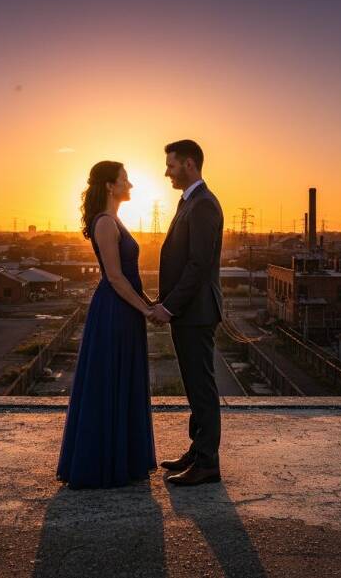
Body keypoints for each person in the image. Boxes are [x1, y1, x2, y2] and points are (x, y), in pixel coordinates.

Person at [56, 161, 157, 489]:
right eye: (125, 180)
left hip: (123, 308)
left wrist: (149, 303)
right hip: (114, 311)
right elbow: (114, 277)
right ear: (110, 186)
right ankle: (102, 464)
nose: (131, 185)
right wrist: (145, 309)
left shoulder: (115, 220)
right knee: (109, 381)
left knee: (121, 379)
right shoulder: (104, 223)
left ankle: (122, 460)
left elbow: (128, 277)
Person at [149, 139, 225, 486]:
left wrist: (169, 306)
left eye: (171, 165)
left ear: (190, 165)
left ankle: (208, 462)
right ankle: (198, 450)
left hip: (196, 312)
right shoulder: (190, 203)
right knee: (194, 387)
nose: (166, 172)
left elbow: (197, 265)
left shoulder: (203, 205)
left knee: (202, 386)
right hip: (188, 313)